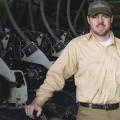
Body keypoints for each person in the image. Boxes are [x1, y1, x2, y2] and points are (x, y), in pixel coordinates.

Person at [25, 0, 120, 120]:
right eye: (95, 16)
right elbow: (56, 74)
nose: (100, 21)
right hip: (89, 114)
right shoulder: (77, 46)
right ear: (88, 20)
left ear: (111, 19)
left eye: (105, 16)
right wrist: (38, 101)